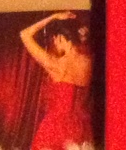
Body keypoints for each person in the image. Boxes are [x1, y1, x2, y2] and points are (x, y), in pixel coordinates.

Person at [18, 11, 93, 150]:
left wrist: (53, 17)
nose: (55, 44)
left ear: (60, 38)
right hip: (81, 127)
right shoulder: (90, 62)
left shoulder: (55, 64)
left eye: (55, 40)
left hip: (55, 128)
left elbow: (25, 34)